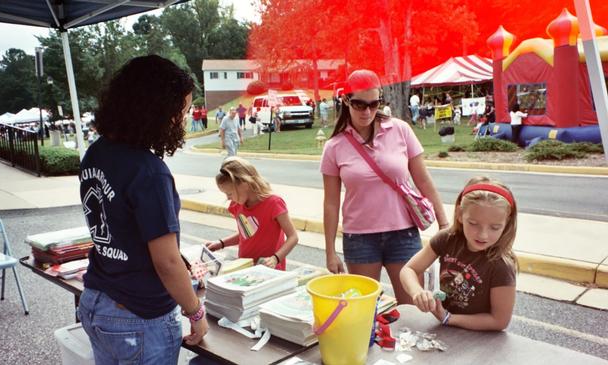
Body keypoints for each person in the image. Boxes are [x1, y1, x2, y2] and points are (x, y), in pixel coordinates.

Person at [77, 55, 208, 365]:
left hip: (98, 299)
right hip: (137, 316)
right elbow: (166, 262)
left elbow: (124, 228)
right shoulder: (149, 172)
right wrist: (196, 312)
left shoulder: (97, 152)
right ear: (157, 111)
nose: (184, 120)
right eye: (183, 111)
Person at [320, 69, 449, 305]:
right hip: (359, 238)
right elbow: (331, 202)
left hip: (403, 234)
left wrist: (444, 223)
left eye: (374, 103)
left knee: (413, 306)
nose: (367, 111)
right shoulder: (334, 146)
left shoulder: (400, 129)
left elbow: (423, 180)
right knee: (366, 309)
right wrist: (330, 251)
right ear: (346, 100)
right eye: (359, 104)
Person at [400, 176, 517, 331]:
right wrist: (417, 292)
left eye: (494, 227)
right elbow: (409, 270)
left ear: (507, 223)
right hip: (445, 329)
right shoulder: (446, 239)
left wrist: (449, 318)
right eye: (473, 224)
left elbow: (499, 321)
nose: (483, 235)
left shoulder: (502, 266)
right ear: (460, 215)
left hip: (480, 340)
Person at [206, 157, 299, 270]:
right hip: (245, 267)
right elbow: (246, 233)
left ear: (244, 184)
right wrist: (221, 243)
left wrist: (275, 259)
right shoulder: (237, 205)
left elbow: (293, 237)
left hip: (270, 270)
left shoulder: (274, 203)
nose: (228, 198)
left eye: (229, 193)